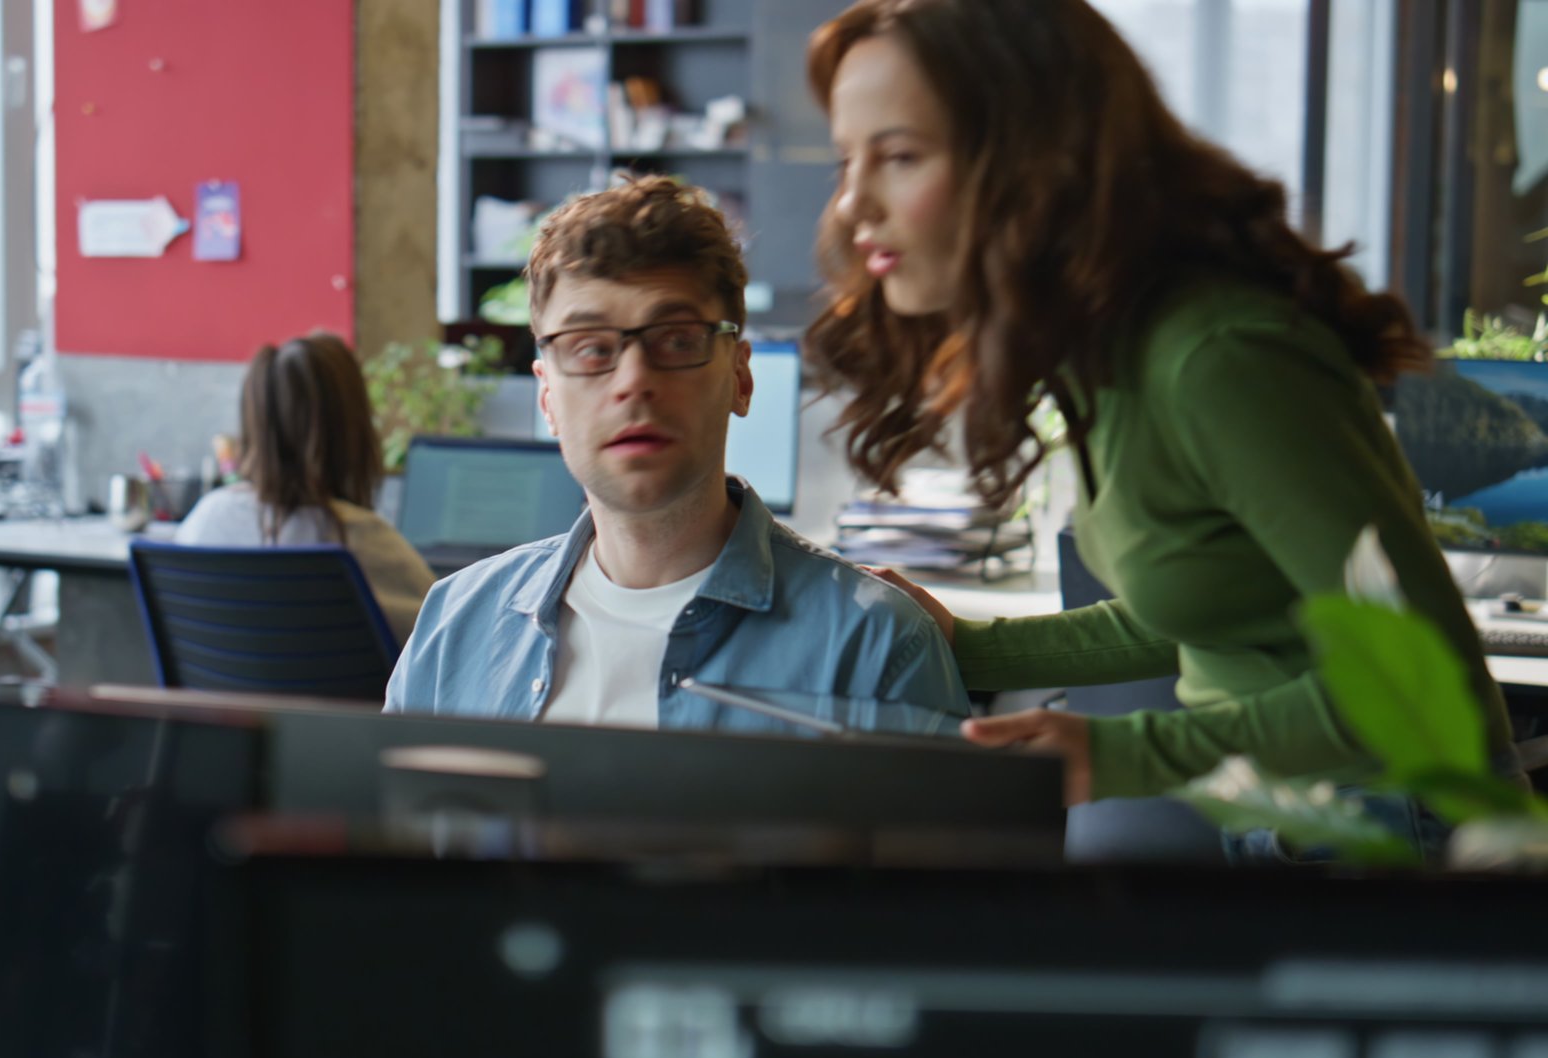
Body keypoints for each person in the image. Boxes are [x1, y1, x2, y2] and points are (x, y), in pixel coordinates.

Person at [805, 0, 1516, 823]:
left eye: (897, 156)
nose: (853, 205)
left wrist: (1120, 754)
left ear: (1039, 163)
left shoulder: (1219, 358)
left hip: (1408, 827)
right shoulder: (1104, 348)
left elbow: (1434, 681)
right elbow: (1207, 604)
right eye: (845, 161)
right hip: (1284, 814)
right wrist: (971, 644)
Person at [386, 176, 969, 731]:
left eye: (677, 341)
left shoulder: (874, 647)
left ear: (741, 377)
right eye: (590, 348)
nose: (634, 382)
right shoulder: (454, 626)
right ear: (547, 397)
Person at [176, 333, 436, 642]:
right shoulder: (370, 545)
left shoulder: (205, 522)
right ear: (353, 428)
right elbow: (446, 644)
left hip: (213, 693)